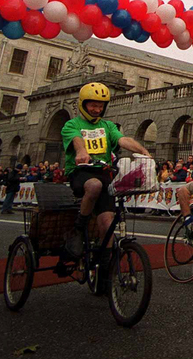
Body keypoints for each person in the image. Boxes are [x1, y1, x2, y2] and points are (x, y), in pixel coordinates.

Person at [60, 83, 151, 258]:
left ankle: (105, 262)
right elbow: (77, 139)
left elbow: (123, 140)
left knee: (107, 222)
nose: (97, 109)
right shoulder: (72, 124)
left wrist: (142, 150)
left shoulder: (108, 126)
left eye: (100, 106)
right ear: (84, 104)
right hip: (81, 172)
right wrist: (81, 152)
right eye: (93, 105)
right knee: (94, 185)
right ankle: (78, 229)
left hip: (104, 172)